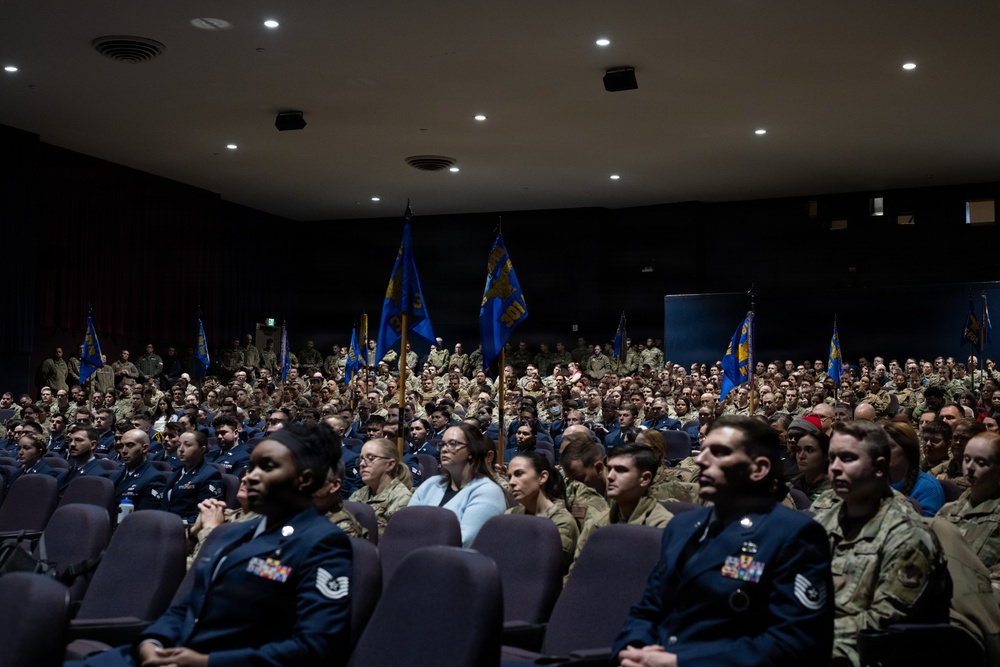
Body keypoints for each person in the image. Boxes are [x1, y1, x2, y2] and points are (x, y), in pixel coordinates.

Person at [67, 422, 353, 667]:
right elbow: (187, 606)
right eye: (251, 466)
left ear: (303, 479)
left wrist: (205, 662)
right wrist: (151, 641)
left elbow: (316, 647)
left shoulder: (323, 542)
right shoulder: (229, 533)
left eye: (267, 467)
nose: (250, 476)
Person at [613, 415, 834, 667]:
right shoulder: (681, 527)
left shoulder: (794, 535)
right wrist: (632, 651)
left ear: (758, 469)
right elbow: (646, 610)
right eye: (703, 450)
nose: (700, 460)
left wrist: (678, 662)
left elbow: (795, 644)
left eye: (718, 453)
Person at [811, 419, 951, 666]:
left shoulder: (909, 535)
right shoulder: (824, 521)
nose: (834, 468)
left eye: (847, 458)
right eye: (831, 458)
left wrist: (803, 630)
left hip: (866, 653)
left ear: (879, 467)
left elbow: (884, 623)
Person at [572, 443, 673, 567]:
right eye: (609, 469)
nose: (610, 476)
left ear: (645, 479)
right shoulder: (596, 523)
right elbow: (576, 573)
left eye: (620, 470)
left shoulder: (662, 529)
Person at [408, 422, 507, 547]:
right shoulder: (431, 484)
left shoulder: (488, 491)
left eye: (453, 444)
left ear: (472, 451)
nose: (444, 449)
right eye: (442, 444)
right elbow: (407, 524)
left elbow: (464, 541)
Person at [938, 432, 1000, 599]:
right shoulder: (949, 510)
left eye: (981, 462)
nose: (970, 467)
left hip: (981, 607)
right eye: (967, 459)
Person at [505, 450, 579, 574]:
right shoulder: (511, 515)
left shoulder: (561, 523)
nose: (511, 482)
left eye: (519, 474)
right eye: (509, 476)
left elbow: (542, 567)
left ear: (542, 477)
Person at [348, 437, 412, 537]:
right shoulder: (359, 494)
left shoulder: (401, 497)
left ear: (390, 465)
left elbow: (392, 539)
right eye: (361, 459)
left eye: (370, 458)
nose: (362, 464)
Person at [883, 420, 944, 517]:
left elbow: (925, 529)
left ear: (908, 451)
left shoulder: (929, 488)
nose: (883, 451)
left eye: (890, 446)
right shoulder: (875, 481)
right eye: (882, 446)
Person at [161, 430, 223, 523]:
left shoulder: (210, 475)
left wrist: (177, 524)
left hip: (186, 528)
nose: (181, 449)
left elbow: (204, 514)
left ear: (202, 450)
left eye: (187, 445)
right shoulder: (175, 473)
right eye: (179, 445)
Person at [113, 429, 166, 511]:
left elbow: (144, 517)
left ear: (144, 448)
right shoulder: (115, 476)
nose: (123, 451)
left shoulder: (154, 478)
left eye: (130, 445)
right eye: (121, 446)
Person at [789, 430, 832, 502]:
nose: (801, 456)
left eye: (810, 450)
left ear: (826, 455)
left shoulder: (835, 490)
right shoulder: (791, 486)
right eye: (798, 450)